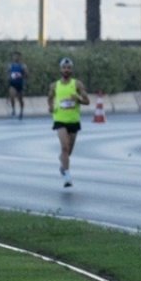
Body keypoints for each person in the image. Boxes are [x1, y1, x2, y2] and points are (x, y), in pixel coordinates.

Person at [47, 57, 90, 188]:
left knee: (68, 151)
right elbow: (49, 98)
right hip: (59, 119)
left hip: (73, 120)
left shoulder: (77, 84)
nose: (66, 70)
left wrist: (77, 98)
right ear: (60, 69)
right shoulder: (54, 85)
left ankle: (63, 164)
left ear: (72, 70)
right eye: (64, 68)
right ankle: (67, 176)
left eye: (69, 68)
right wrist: (50, 107)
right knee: (64, 147)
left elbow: (87, 101)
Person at [6, 51, 29, 119]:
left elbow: (27, 75)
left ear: (20, 57)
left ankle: (21, 112)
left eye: (17, 56)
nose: (15, 57)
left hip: (20, 84)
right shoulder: (10, 65)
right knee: (12, 96)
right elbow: (8, 73)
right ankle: (13, 109)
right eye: (14, 56)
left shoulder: (23, 65)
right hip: (12, 84)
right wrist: (9, 77)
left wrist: (23, 75)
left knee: (20, 99)